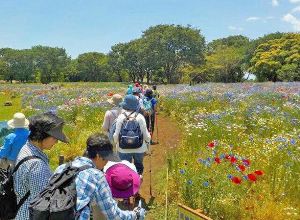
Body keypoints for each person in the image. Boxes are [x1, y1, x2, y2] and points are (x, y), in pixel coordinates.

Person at [54, 133, 146, 219]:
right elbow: (113, 215)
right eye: (106, 159)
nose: (106, 163)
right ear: (98, 156)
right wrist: (135, 215)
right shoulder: (97, 176)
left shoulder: (62, 168)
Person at [14, 112, 69, 220]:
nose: (57, 141)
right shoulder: (37, 165)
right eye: (54, 138)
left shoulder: (26, 148)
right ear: (42, 136)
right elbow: (42, 206)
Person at [113, 95, 151, 176]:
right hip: (139, 147)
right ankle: (138, 180)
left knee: (125, 169)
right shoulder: (140, 117)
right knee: (138, 166)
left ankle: (128, 184)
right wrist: (148, 143)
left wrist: (116, 144)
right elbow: (146, 135)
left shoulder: (121, 117)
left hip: (123, 148)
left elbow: (116, 134)